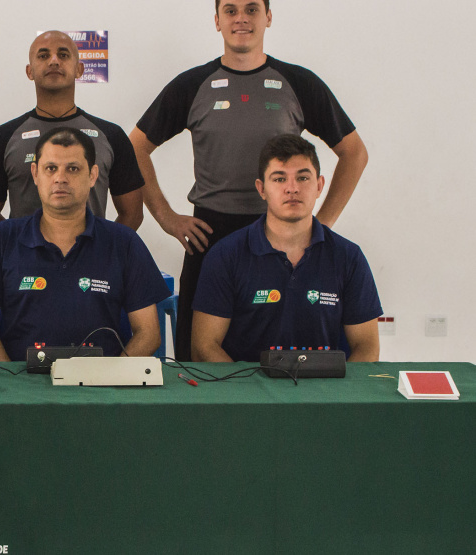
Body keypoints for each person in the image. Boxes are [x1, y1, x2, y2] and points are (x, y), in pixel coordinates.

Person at [129, 0, 369, 361]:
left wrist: (325, 221)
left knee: (286, 353)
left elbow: (354, 152)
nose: (241, 18)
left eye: (252, 8)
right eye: (230, 10)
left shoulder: (298, 83)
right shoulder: (193, 84)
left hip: (281, 236)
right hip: (210, 234)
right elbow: (134, 148)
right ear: (217, 21)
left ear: (268, 17)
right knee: (201, 360)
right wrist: (167, 218)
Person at [0, 127, 169, 362]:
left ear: (92, 175)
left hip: (101, 387)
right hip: (22, 384)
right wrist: (12, 382)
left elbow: (149, 334)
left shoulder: (125, 243)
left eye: (73, 168)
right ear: (35, 174)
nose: (60, 178)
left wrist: (110, 379)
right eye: (51, 169)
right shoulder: (1, 239)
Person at [191, 134, 381, 362]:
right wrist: (248, 395)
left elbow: (367, 347)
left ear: (319, 186)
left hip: (323, 393)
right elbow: (204, 347)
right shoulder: (225, 256)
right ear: (261, 189)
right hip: (249, 391)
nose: (292, 189)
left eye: (303, 178)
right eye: (279, 179)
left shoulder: (349, 257)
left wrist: (335, 396)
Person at [0, 30, 145, 231]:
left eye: (63, 55)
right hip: (25, 262)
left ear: (79, 69)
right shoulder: (1, 138)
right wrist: (18, 249)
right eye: (43, 55)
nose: (54, 61)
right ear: (30, 71)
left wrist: (102, 252)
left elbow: (132, 214)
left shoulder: (112, 136)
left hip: (90, 262)